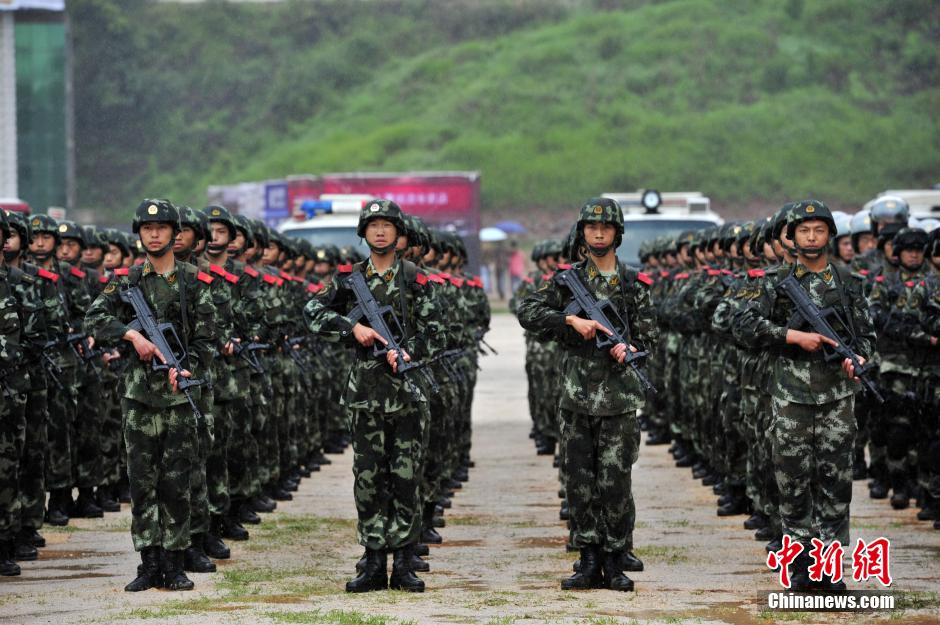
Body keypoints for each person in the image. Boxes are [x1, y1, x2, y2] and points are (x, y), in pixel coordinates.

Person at [733, 200, 875, 592]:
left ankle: (829, 567)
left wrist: (860, 358)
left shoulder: (850, 282)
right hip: (791, 396)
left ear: (830, 235)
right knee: (792, 482)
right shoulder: (773, 281)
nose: (811, 238)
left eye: (819, 230)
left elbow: (867, 336)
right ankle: (799, 565)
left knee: (835, 483)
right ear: (792, 236)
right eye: (804, 231)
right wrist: (791, 335)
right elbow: (740, 323)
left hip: (836, 398)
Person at [517, 197, 657, 592]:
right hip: (577, 397)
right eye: (592, 228)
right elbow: (528, 311)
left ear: (617, 233)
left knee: (615, 482)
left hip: (619, 399)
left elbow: (649, 337)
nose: (598, 233)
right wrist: (569, 321)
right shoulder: (565, 282)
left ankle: (615, 558)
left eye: (606, 227)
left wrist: (628, 349)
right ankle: (588, 557)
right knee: (579, 480)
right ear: (582, 234)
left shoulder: (632, 285)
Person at [304, 200, 443, 593]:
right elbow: (312, 311)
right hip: (365, 395)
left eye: (387, 225)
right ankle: (372, 560)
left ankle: (402, 562)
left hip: (406, 393)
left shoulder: (416, 279)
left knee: (405, 478)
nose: (380, 232)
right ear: (363, 232)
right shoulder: (348, 279)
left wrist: (410, 351)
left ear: (398, 234)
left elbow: (437, 333)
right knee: (368, 479)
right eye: (373, 225)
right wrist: (352, 330)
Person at [85, 199, 216, 592]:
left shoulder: (194, 281)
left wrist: (188, 368)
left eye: (160, 229)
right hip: (139, 396)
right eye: (146, 229)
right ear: (139, 234)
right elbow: (95, 317)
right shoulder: (127, 280)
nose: (154, 234)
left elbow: (208, 338)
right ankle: (148, 561)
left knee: (177, 481)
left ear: (176, 234)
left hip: (178, 394)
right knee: (141, 481)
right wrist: (132, 335)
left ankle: (175, 561)